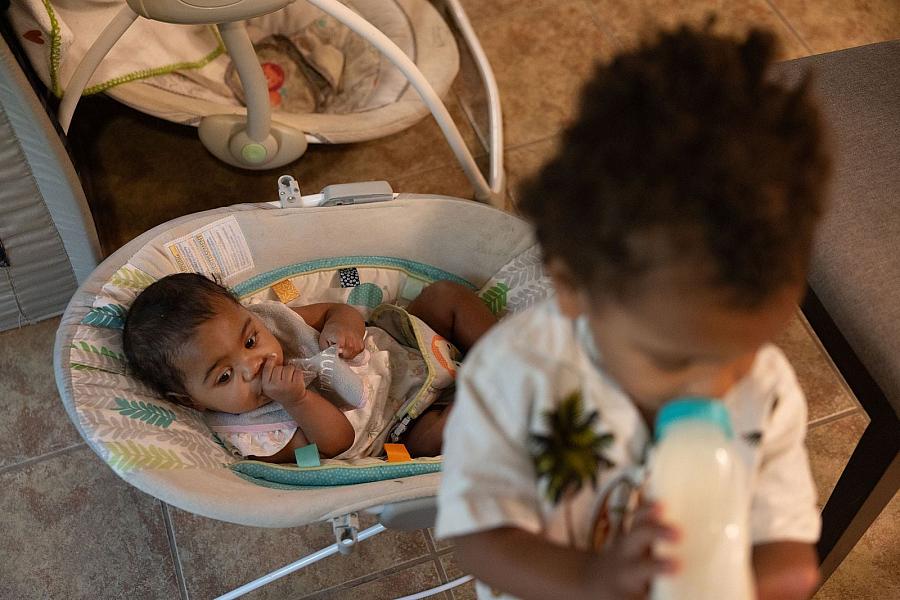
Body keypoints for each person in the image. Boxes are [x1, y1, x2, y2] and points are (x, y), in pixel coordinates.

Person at [436, 24, 830, 600]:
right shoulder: (513, 373)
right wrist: (591, 580)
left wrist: (744, 581)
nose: (714, 386)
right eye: (672, 359)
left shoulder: (764, 391)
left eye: (744, 351)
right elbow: (481, 538)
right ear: (573, 288)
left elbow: (789, 555)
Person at [123, 273, 495, 462]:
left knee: (445, 296)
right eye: (224, 376)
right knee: (455, 426)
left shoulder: (270, 321)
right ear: (192, 401)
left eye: (250, 341)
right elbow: (335, 443)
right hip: (400, 422)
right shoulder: (254, 436)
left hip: (401, 346)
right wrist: (297, 400)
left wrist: (342, 324)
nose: (255, 363)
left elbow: (337, 311)